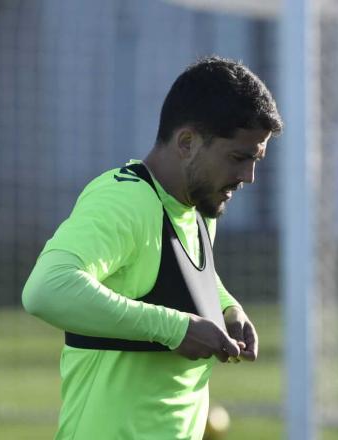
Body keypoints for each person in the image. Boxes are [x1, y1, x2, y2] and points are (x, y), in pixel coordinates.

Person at [22, 56, 283, 440]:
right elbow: (46, 289)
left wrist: (227, 307)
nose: (249, 176)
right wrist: (175, 329)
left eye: (255, 159)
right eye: (238, 158)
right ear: (187, 142)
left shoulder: (198, 206)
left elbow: (177, 272)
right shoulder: (124, 201)